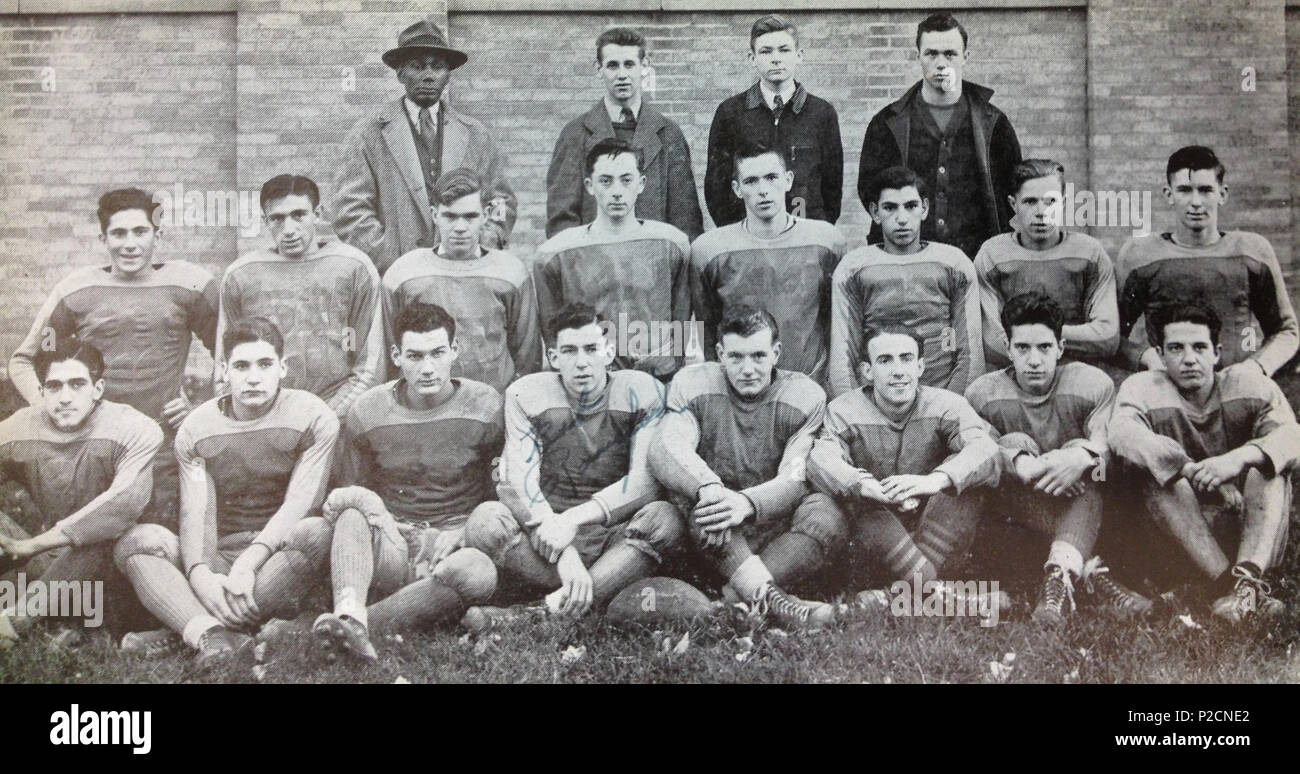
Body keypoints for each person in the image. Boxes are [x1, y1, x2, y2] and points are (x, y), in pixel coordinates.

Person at [113, 318, 337, 667]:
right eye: (241, 366)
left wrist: (248, 565)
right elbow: (197, 513)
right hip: (221, 556)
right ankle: (216, 633)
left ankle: (188, 629)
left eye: (264, 364)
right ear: (223, 370)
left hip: (280, 557)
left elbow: (300, 504)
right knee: (138, 541)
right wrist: (202, 576)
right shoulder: (198, 426)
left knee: (317, 532)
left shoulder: (313, 415)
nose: (253, 377)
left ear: (283, 368)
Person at [8, 187, 217, 529]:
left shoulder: (191, 284)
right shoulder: (76, 289)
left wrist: (201, 403)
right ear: (103, 237)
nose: (129, 243)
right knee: (90, 541)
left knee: (155, 541)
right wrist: (51, 407)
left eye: (140, 231)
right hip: (93, 444)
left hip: (162, 445)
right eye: (118, 233)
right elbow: (26, 359)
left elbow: (231, 353)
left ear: (158, 234)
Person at [463, 303, 682, 622]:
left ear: (608, 351)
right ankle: (594, 594)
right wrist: (564, 552)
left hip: (613, 537)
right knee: (485, 521)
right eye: (569, 351)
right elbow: (519, 482)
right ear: (553, 358)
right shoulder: (527, 393)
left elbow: (644, 483)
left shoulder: (641, 390)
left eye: (591, 349)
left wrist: (573, 521)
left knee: (665, 519)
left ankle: (541, 613)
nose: (582, 363)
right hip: (547, 540)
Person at [312, 302, 500, 660]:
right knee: (351, 513)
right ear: (396, 355)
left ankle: (357, 628)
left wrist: (464, 533)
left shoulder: (486, 405)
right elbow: (353, 489)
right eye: (414, 356)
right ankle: (351, 614)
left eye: (437, 353)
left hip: (453, 543)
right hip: (393, 540)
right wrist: (384, 527)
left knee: (478, 572)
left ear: (454, 351)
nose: (427, 368)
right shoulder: (368, 410)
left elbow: (499, 497)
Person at [649, 306, 843, 629]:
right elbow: (666, 446)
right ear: (720, 354)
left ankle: (734, 598)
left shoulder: (805, 395)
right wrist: (709, 487)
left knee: (826, 511)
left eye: (758, 355)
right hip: (716, 534)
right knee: (704, 506)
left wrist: (747, 503)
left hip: (774, 527)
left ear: (776, 353)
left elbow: (795, 476)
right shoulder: (693, 382)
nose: (748, 368)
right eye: (736, 357)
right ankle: (779, 604)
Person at [965, 292, 1151, 624]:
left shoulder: (1091, 383)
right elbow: (978, 450)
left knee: (1083, 458)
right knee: (1013, 441)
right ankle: (1090, 572)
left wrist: (1080, 457)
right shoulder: (984, 392)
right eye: (1022, 348)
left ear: (1061, 348)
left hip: (1084, 502)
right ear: (1008, 348)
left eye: (1044, 348)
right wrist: (1024, 463)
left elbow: (1107, 443)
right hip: (1016, 512)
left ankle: (1058, 580)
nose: (1034, 360)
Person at [1108, 303, 1297, 623]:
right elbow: (1122, 434)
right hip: (1184, 530)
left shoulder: (1249, 383)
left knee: (1268, 467)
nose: (1189, 358)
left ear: (1216, 352)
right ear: (1160, 354)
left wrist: (1237, 459)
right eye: (1176, 349)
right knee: (1154, 475)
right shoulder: (1143, 387)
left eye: (1199, 347)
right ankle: (1232, 587)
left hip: (1250, 530)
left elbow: (1292, 436)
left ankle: (1246, 581)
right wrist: (1188, 469)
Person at [808, 326, 1001, 606]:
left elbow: (986, 449)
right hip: (875, 538)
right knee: (859, 506)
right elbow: (820, 460)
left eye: (907, 358)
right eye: (885, 361)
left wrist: (934, 480)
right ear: (867, 371)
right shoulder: (843, 410)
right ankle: (941, 596)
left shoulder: (945, 404)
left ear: (921, 366)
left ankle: (895, 596)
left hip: (931, 532)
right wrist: (866, 486)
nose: (898, 371)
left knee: (967, 483)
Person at [0, 340, 162, 646]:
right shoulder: (21, 427)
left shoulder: (132, 427)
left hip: (115, 568)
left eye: (77, 385)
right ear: (42, 392)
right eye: (54, 387)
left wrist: (29, 546)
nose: (64, 398)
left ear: (97, 389)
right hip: (49, 559)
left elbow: (120, 509)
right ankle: (61, 619)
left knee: (108, 534)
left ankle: (15, 623)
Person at [332, 18, 516, 274]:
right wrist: (392, 260)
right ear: (400, 74)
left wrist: (480, 245)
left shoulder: (476, 135)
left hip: (465, 270)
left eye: (437, 67)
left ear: (448, 75)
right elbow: (349, 211)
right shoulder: (369, 134)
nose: (428, 75)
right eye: (417, 66)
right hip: (398, 277)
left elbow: (500, 202)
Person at [1117, 145, 1297, 375]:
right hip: (1167, 388)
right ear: (1168, 194)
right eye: (1184, 190)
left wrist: (1257, 367)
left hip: (1235, 385)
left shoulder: (1252, 250)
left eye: (1205, 190)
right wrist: (1146, 357)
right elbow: (1113, 336)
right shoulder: (1140, 254)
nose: (1196, 202)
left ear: (1222, 194)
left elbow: (1286, 330)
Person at [217, 174, 383, 421]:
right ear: (265, 221)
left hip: (336, 417)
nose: (289, 230)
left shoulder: (354, 266)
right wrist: (243, 418)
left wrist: (325, 419)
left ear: (317, 214)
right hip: (263, 420)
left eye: (298, 215)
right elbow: (225, 361)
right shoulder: (241, 274)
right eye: (277, 219)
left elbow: (370, 362)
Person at [857, 11, 1021, 259]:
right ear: (918, 57)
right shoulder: (887, 124)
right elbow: (869, 191)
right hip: (904, 259)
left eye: (950, 54)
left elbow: (1013, 191)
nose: (941, 63)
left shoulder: (994, 124)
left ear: (965, 57)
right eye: (931, 54)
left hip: (978, 259)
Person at [535, 138, 692, 382]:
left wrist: (672, 364)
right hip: (593, 380)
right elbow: (552, 330)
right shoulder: (557, 253)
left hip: (657, 377)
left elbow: (681, 317)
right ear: (589, 185)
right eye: (606, 181)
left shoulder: (671, 244)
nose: (617, 191)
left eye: (626, 180)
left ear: (641, 184)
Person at [692, 141, 845, 386]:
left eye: (771, 177)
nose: (763, 189)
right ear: (737, 189)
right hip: (741, 385)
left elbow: (837, 323)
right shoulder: (710, 250)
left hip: (808, 386)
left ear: (788, 180)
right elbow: (705, 328)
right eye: (751, 181)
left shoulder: (826, 241)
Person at [382, 169, 541, 393]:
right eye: (450, 216)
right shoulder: (403, 274)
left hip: (493, 409)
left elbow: (527, 356)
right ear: (435, 215)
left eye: (470, 216)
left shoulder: (511, 273)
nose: (459, 228)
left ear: (486, 215)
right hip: (424, 409)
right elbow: (389, 355)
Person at [830, 165, 981, 398]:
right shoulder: (854, 268)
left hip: (942, 397)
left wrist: (950, 408)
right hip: (875, 402)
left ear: (925, 208)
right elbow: (843, 354)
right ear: (875, 212)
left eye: (911, 206)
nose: (901, 219)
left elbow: (969, 353)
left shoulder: (954, 263)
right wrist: (857, 412)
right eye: (890, 208)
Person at [546, 27, 702, 240]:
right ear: (598, 69)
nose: (622, 75)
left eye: (629, 64)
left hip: (653, 262)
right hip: (595, 263)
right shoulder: (576, 134)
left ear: (644, 66)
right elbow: (562, 219)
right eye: (612, 66)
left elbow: (686, 220)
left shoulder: (668, 134)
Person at [975, 159, 1119, 371]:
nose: (1041, 212)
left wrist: (1032, 338)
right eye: (1030, 202)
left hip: (1075, 372)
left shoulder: (1090, 253)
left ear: (1065, 202)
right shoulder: (993, 255)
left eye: (1050, 201)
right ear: (1013, 204)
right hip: (1015, 375)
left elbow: (1107, 337)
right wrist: (1058, 339)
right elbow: (992, 342)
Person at [704, 14, 843, 227]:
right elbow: (717, 187)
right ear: (752, 58)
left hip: (804, 236)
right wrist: (737, 232)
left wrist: (815, 230)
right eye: (766, 51)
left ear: (799, 55)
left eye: (784, 50)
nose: (776, 58)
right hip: (748, 238)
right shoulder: (730, 113)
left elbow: (832, 188)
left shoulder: (821, 113)